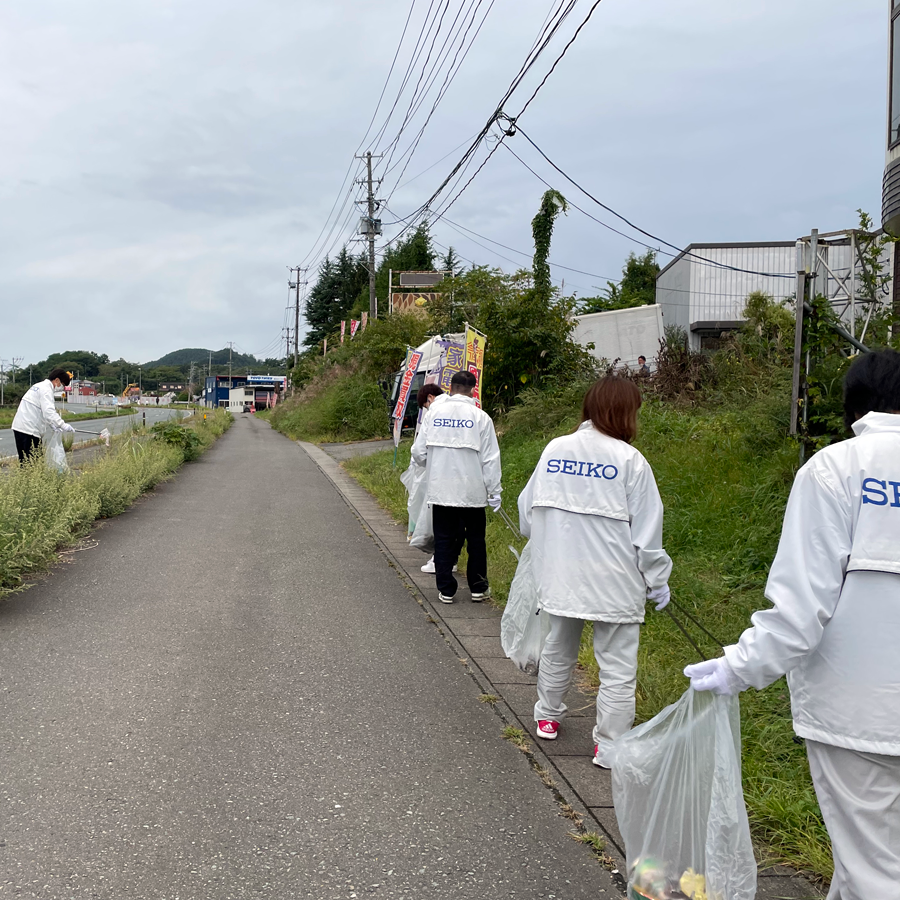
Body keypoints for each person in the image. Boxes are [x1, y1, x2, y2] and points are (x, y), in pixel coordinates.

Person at [685, 349, 900, 899]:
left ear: (853, 409)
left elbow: (802, 609)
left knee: (875, 871)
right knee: (864, 869)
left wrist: (738, 668)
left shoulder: (836, 470)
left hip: (859, 717)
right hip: (861, 716)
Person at [518, 376, 672, 768]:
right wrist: (657, 581)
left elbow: (527, 511)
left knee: (559, 645)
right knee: (618, 667)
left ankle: (548, 716)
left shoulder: (556, 449)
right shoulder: (629, 461)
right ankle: (609, 746)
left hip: (561, 574)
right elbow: (647, 534)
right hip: (616, 581)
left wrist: (552, 542)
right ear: (623, 413)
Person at [411, 370, 501, 603]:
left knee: (443, 540)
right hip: (473, 492)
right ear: (473, 389)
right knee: (476, 540)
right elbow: (490, 459)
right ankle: (478, 587)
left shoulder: (434, 414)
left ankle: (446, 589)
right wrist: (495, 491)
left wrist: (434, 463)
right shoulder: (481, 417)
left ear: (450, 387)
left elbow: (419, 453)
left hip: (441, 490)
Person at [410, 383, 445, 575]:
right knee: (467, 529)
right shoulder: (472, 411)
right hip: (470, 481)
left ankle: (439, 560)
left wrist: (424, 465)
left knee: (440, 523)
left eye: (425, 405)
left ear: (430, 398)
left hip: (439, 477)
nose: (426, 409)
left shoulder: (434, 413)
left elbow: (418, 450)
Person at [12, 368, 75, 462]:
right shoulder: (46, 390)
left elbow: (41, 410)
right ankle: (32, 476)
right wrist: (62, 425)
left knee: (24, 461)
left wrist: (52, 424)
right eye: (62, 385)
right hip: (30, 430)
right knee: (33, 462)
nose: (62, 388)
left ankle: (25, 476)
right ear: (57, 380)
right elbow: (49, 411)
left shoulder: (38, 386)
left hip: (19, 427)